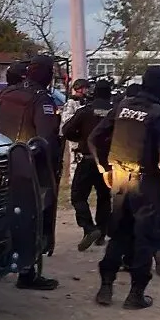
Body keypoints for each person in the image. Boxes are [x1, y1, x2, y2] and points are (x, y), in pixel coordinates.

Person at [87, 65, 160, 309]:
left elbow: (94, 138)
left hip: (119, 179)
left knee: (118, 233)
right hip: (145, 184)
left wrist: (104, 169)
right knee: (144, 237)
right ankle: (135, 294)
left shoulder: (121, 106)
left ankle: (105, 287)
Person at [0, 54, 63, 290]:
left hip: (0, 164)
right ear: (47, 74)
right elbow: (46, 137)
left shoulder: (6, 94)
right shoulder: (42, 99)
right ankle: (28, 273)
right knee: (34, 218)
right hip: (29, 168)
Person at [62, 78, 114, 250]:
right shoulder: (115, 112)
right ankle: (101, 232)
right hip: (108, 162)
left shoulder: (85, 111)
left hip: (87, 160)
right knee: (104, 198)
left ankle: (89, 227)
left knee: (78, 196)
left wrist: (80, 138)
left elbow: (66, 130)